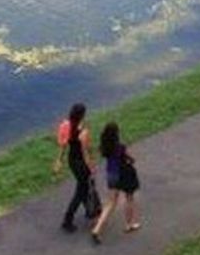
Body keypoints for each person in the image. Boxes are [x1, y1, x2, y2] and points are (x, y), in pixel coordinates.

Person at [90, 122, 141, 244]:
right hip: (123, 174)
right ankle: (129, 224)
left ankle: (97, 229)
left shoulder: (104, 146)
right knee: (129, 197)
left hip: (111, 174)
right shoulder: (120, 146)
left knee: (110, 203)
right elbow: (131, 158)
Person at [55, 102, 101, 233]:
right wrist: (92, 167)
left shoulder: (66, 126)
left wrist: (59, 160)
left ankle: (91, 212)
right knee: (81, 192)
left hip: (72, 162)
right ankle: (67, 220)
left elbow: (63, 145)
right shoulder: (83, 132)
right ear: (82, 115)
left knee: (84, 188)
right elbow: (86, 154)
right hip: (82, 163)